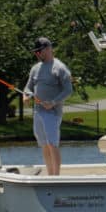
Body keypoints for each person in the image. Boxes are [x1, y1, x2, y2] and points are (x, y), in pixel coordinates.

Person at [24, 37, 73, 175]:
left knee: (52, 144)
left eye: (39, 51)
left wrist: (52, 102)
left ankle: (55, 177)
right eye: (36, 52)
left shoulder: (60, 68)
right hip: (38, 112)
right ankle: (50, 175)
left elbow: (68, 90)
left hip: (52, 113)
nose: (37, 54)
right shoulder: (35, 68)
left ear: (48, 49)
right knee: (44, 144)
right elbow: (28, 87)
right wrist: (26, 95)